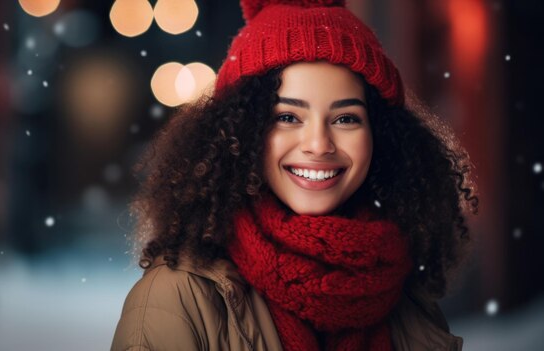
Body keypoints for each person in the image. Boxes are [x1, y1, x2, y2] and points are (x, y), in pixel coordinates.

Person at [111, 0, 479, 350]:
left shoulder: (406, 293)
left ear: (381, 135)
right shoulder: (176, 299)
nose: (319, 144)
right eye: (287, 117)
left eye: (346, 118)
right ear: (239, 132)